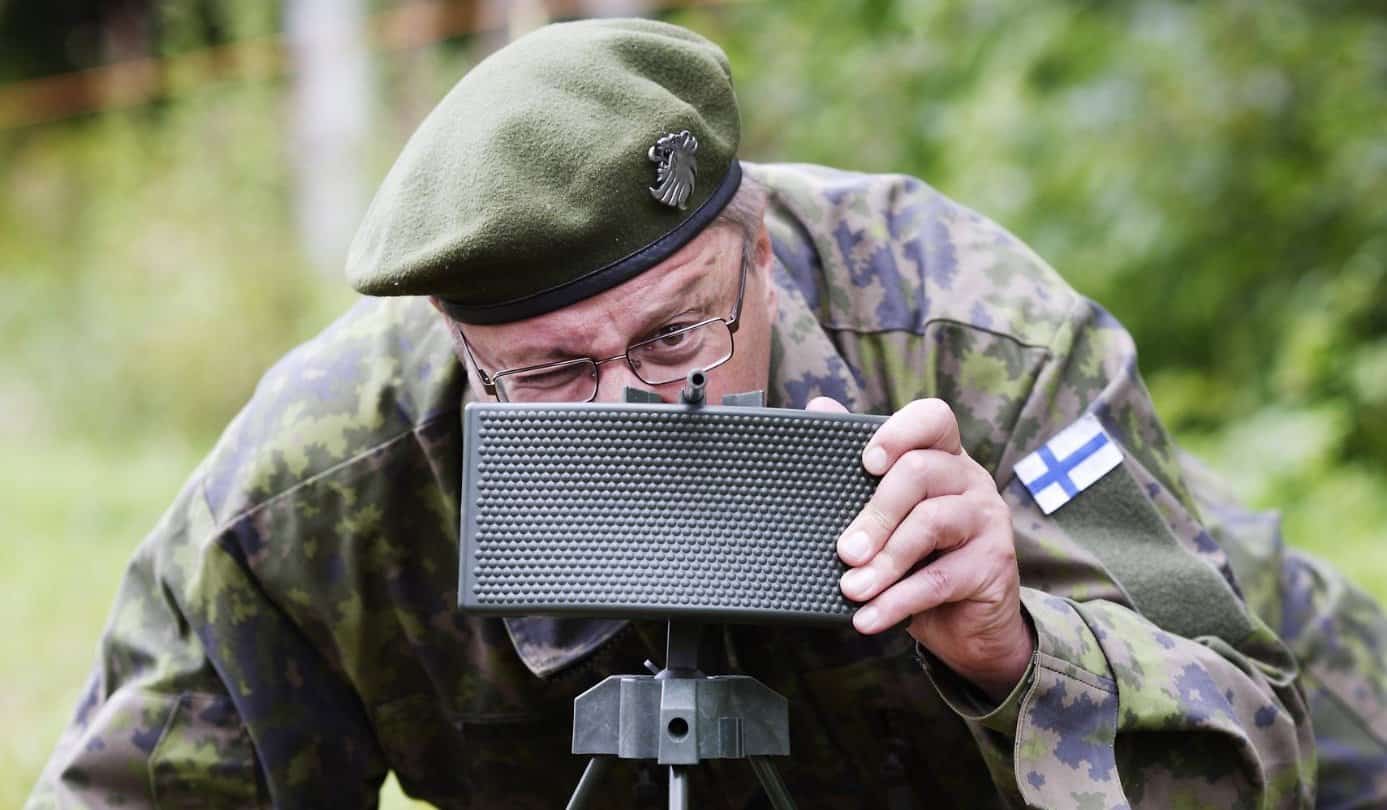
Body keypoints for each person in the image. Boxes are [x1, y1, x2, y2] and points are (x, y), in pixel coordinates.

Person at [27, 18, 1387, 810]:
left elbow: (1244, 745)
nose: (628, 403)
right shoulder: (336, 472)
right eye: (552, 374)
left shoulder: (970, 333)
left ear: (757, 246)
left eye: (676, 333)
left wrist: (1010, 643)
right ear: (455, 341)